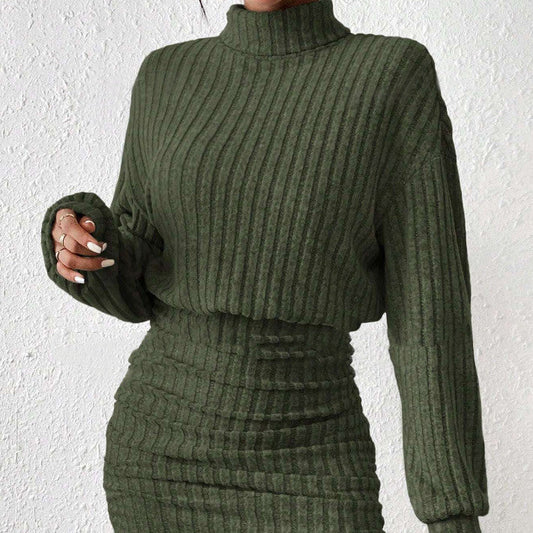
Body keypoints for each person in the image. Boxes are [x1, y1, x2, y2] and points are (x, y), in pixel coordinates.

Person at [40, 0, 490, 531]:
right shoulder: (165, 74)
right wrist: (80, 240)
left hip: (313, 460)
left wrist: (451, 513)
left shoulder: (391, 75)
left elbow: (431, 315)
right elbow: (136, 286)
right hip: (159, 461)